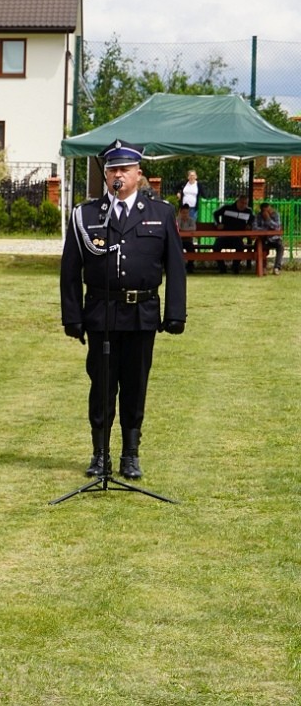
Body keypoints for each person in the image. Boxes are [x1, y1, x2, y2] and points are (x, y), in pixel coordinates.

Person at [61, 139, 186, 481]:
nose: (118, 175)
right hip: (101, 313)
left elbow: (176, 267)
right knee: (102, 385)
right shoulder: (87, 215)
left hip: (142, 313)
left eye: (125, 169)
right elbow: (70, 270)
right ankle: (100, 454)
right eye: (113, 169)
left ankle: (130, 454)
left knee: (135, 385)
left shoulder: (160, 213)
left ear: (138, 173)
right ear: (106, 175)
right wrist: (72, 316)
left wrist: (175, 312)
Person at [213, 194, 253, 273]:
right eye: (242, 203)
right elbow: (215, 214)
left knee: (240, 247)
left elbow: (252, 219)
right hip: (224, 236)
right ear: (237, 201)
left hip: (237, 237)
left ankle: (235, 267)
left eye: (245, 203)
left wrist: (249, 225)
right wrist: (218, 224)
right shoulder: (227, 208)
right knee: (216, 247)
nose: (243, 205)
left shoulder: (248, 211)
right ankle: (222, 268)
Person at [255, 201, 284, 274]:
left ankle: (277, 268)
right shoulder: (258, 216)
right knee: (258, 246)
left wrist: (268, 219)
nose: (271, 211)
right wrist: (267, 230)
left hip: (274, 238)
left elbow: (277, 227)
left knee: (280, 246)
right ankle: (262, 268)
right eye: (268, 211)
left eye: (270, 209)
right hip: (263, 238)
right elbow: (255, 228)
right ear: (263, 211)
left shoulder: (276, 214)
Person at [177, 203, 197, 274]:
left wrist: (183, 230)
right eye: (183, 213)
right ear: (180, 212)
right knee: (176, 251)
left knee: (192, 251)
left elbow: (193, 229)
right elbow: (177, 228)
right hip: (179, 241)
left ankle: (190, 267)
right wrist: (179, 218)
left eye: (186, 213)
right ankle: (178, 268)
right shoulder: (177, 220)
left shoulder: (191, 220)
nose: (185, 214)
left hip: (188, 241)